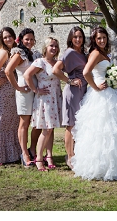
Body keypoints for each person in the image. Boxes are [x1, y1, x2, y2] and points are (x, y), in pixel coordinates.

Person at [71, 27, 117, 181]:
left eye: (104, 38)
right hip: (100, 94)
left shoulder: (103, 53)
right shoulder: (95, 53)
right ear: (94, 40)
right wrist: (95, 87)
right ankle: (98, 166)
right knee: (100, 130)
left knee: (111, 130)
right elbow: (86, 72)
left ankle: (111, 165)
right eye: (99, 38)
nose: (102, 40)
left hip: (109, 93)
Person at [24, 37, 66, 171]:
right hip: (45, 99)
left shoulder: (57, 63)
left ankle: (49, 156)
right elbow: (27, 75)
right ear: (45, 48)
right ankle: (39, 158)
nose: (54, 48)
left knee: (51, 128)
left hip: (55, 97)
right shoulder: (40, 62)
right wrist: (36, 90)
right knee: (46, 129)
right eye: (51, 46)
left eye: (56, 46)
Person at [4, 28, 43, 168]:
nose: (29, 42)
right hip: (24, 91)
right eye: (27, 39)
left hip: (36, 89)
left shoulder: (35, 53)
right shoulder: (19, 53)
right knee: (24, 123)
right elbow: (8, 71)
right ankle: (24, 154)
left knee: (38, 121)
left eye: (32, 39)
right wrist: (17, 87)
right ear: (21, 40)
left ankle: (32, 149)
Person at [52, 27, 87, 168]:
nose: (78, 39)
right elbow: (56, 69)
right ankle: (70, 156)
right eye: (75, 37)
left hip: (83, 91)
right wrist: (69, 81)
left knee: (79, 124)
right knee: (71, 125)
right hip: (73, 92)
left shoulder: (82, 53)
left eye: (80, 37)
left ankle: (77, 153)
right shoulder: (69, 53)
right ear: (71, 39)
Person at [0, 27, 22, 166]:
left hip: (10, 92)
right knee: (1, 123)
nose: (8, 39)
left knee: (11, 122)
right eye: (5, 37)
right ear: (1, 40)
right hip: (3, 93)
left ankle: (11, 155)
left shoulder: (11, 51)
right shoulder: (3, 52)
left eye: (10, 36)